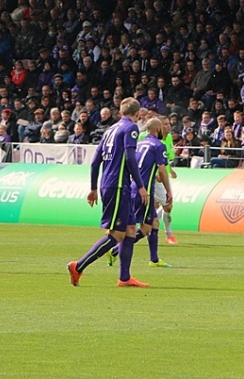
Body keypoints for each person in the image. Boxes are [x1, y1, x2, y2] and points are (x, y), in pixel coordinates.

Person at [67, 97, 149, 287]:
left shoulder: (110, 130)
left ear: (120, 112)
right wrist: (141, 185)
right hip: (118, 186)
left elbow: (96, 160)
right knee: (117, 234)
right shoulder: (131, 128)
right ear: (137, 114)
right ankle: (78, 266)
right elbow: (130, 158)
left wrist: (94, 188)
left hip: (112, 184)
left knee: (130, 230)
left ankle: (125, 277)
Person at [108, 118, 173, 268]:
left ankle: (154, 260)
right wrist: (168, 191)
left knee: (154, 222)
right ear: (157, 129)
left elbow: (137, 165)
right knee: (145, 228)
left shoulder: (140, 144)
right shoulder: (159, 145)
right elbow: (162, 170)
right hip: (145, 191)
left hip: (133, 187)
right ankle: (115, 250)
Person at [148, 116, 178, 244]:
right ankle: (168, 234)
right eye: (165, 124)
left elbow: (165, 158)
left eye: (168, 123)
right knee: (167, 204)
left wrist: (170, 170)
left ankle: (150, 224)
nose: (168, 126)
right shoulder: (147, 137)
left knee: (160, 205)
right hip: (153, 176)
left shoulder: (169, 138)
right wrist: (154, 175)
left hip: (163, 175)